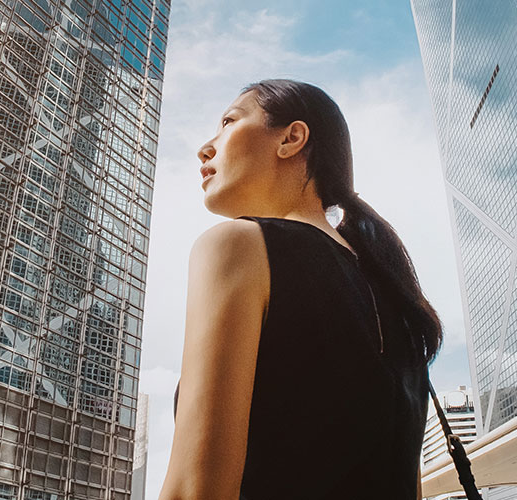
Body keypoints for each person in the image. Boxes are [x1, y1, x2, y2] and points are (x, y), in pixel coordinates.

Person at [159, 79, 445, 499]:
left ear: (292, 138)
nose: (205, 147)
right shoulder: (400, 302)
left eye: (228, 122)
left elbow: (195, 489)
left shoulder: (236, 247)